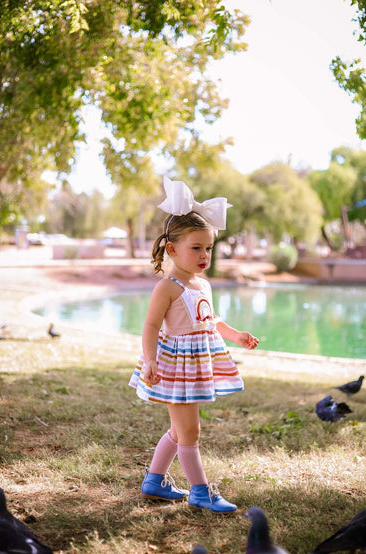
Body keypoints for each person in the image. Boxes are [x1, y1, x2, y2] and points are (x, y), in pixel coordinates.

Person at [129, 176, 259, 513]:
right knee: (190, 431)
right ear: (172, 249)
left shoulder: (202, 285)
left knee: (178, 429)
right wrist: (150, 360)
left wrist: (237, 335)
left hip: (196, 366)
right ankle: (201, 492)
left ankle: (154, 481)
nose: (204, 255)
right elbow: (151, 325)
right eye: (196, 248)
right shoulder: (168, 287)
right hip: (175, 368)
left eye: (209, 248)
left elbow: (210, 320)